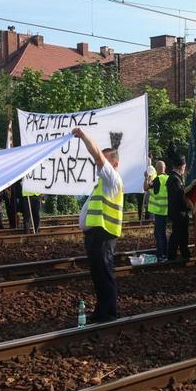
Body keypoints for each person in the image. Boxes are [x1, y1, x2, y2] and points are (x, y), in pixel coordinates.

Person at [74, 127, 123, 322]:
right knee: (98, 274)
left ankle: (109, 313)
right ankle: (102, 310)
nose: (99, 162)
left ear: (115, 163)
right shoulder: (102, 183)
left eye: (105, 159)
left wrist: (83, 135)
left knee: (104, 273)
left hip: (104, 234)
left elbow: (95, 154)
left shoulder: (112, 179)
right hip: (95, 235)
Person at [166, 157, 190, 261]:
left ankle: (180, 253)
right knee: (179, 234)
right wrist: (188, 205)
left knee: (179, 233)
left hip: (177, 211)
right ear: (181, 167)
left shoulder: (174, 177)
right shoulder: (175, 179)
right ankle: (176, 254)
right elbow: (180, 197)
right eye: (184, 167)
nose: (185, 169)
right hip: (179, 212)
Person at [146, 161, 169, 261]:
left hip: (159, 211)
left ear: (156, 169)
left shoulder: (157, 179)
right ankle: (165, 252)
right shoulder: (168, 178)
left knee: (158, 233)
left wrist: (147, 177)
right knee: (163, 233)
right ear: (165, 168)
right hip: (166, 211)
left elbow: (146, 187)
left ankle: (161, 254)